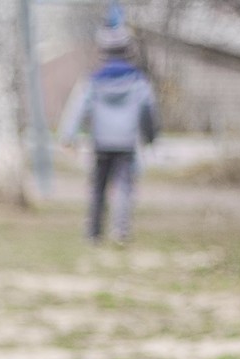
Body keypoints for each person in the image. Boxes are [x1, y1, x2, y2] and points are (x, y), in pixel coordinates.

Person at [59, 12, 159, 245]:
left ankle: (94, 233)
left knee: (97, 188)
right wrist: (151, 135)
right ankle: (120, 231)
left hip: (101, 141)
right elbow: (149, 110)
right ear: (127, 50)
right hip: (126, 141)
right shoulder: (138, 81)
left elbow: (78, 108)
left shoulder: (94, 80)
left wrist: (68, 136)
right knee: (124, 187)